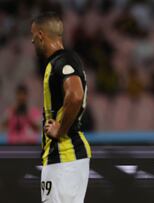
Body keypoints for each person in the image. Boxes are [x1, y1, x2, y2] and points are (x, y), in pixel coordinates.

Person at [31, 12, 92, 203]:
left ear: (41, 35)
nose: (32, 42)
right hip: (63, 158)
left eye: (33, 36)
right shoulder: (61, 61)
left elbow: (75, 95)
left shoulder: (63, 61)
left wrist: (59, 129)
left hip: (65, 155)